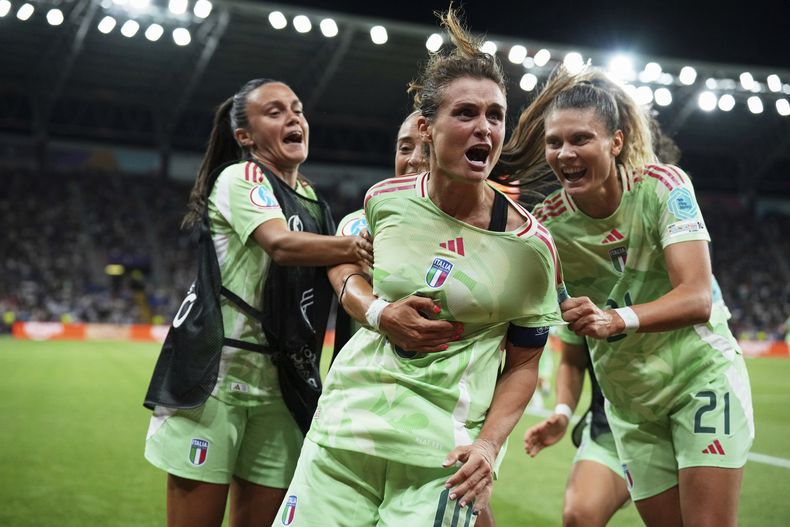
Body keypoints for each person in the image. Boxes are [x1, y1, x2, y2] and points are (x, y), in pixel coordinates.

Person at [274, 8, 564, 526]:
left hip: (440, 459)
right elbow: (348, 269)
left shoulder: (529, 247)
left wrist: (489, 448)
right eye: (467, 113)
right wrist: (382, 313)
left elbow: (523, 363)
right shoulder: (384, 202)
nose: (485, 128)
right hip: (342, 435)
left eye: (495, 115)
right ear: (427, 128)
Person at [500, 67, 754, 527]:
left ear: (615, 142)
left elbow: (697, 296)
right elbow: (526, 312)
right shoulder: (549, 226)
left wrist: (616, 320)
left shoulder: (662, 186)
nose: (564, 153)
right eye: (554, 142)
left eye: (580, 139)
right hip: (630, 408)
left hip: (698, 380)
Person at [142, 78, 372, 527]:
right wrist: (358, 246)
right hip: (215, 381)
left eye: (298, 109)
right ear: (245, 136)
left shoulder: (314, 201)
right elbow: (281, 244)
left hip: (282, 387)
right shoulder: (240, 177)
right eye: (275, 112)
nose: (294, 118)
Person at [329, 111, 498, 527]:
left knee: (471, 508)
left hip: (443, 420)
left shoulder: (489, 235)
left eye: (423, 150)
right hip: (364, 412)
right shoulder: (366, 222)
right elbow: (344, 268)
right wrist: (379, 311)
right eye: (404, 148)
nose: (413, 159)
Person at [521, 112, 687, 527]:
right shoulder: (570, 243)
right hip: (615, 412)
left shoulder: (670, 232)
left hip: (681, 396)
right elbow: (574, 355)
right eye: (556, 142)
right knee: (579, 515)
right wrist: (561, 410)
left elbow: (701, 304)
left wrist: (617, 319)